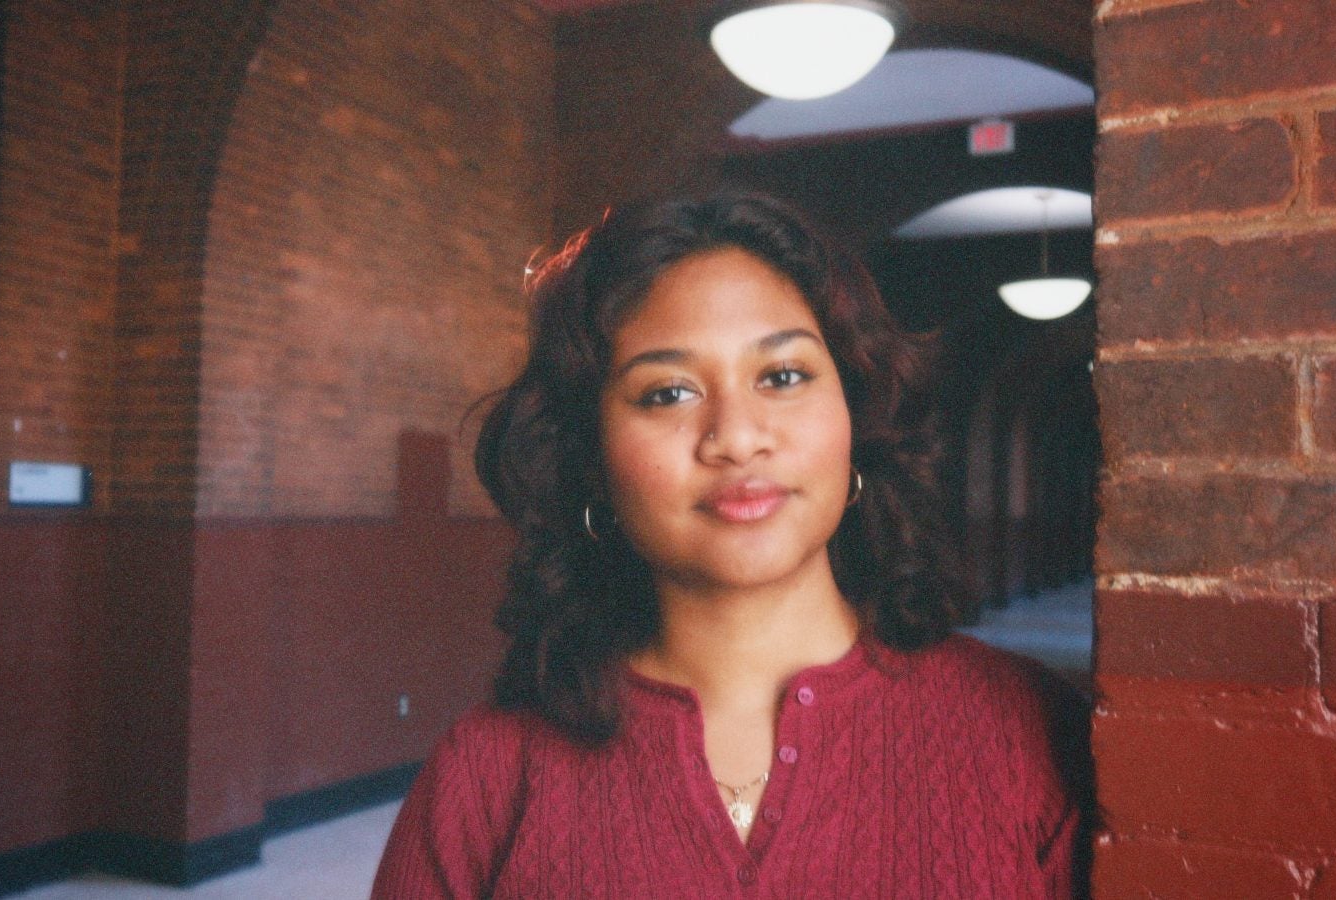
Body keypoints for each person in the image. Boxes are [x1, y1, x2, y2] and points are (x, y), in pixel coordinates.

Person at [372, 192, 1086, 898]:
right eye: (668, 393)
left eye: (783, 376)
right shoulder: (488, 775)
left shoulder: (1020, 729)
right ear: (591, 457)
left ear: (856, 416)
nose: (737, 437)